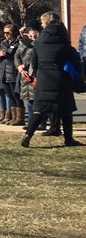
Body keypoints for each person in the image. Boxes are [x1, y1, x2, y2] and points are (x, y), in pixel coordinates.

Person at [22, 12, 82, 147]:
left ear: (46, 25)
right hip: (61, 79)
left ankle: (27, 136)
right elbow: (74, 60)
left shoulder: (38, 42)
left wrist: (37, 75)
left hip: (43, 78)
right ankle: (68, 139)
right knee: (66, 110)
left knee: (38, 110)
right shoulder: (64, 42)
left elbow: (34, 63)